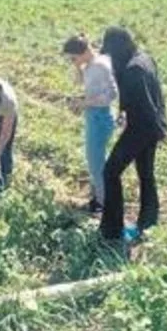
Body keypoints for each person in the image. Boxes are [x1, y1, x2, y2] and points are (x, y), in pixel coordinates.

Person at [98, 26, 167, 243]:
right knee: (146, 173)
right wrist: (124, 112)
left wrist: (137, 128)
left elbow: (144, 107)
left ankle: (112, 230)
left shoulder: (132, 70)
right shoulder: (143, 58)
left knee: (110, 172)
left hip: (142, 128)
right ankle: (148, 223)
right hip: (152, 125)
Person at [62, 33, 118, 213]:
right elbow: (81, 83)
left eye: (73, 57)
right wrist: (78, 67)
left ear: (84, 51)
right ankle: (100, 197)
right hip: (94, 115)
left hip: (100, 117)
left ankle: (104, 203)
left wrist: (83, 103)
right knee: (96, 160)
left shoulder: (100, 65)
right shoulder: (90, 65)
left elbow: (111, 94)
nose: (72, 61)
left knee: (96, 163)